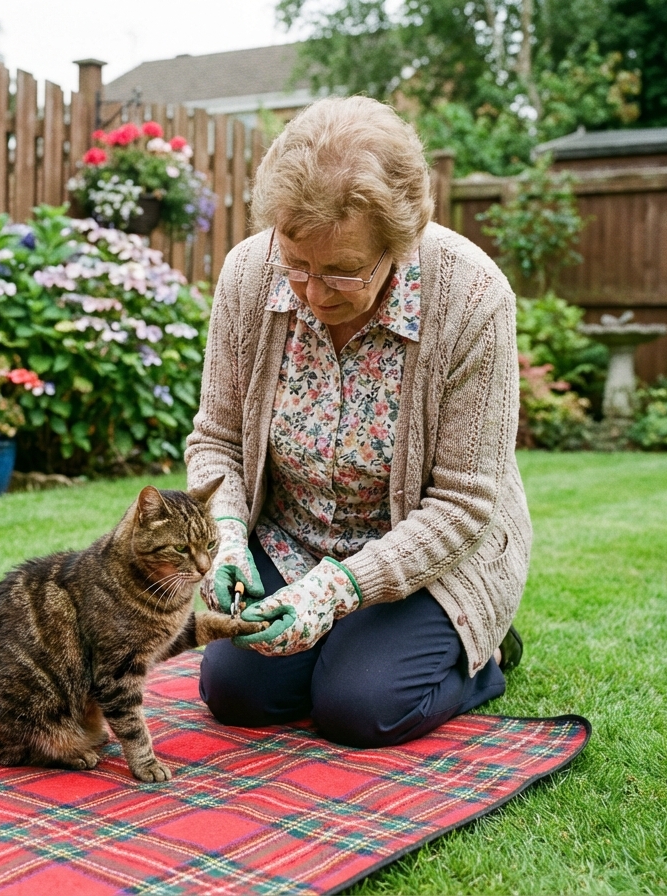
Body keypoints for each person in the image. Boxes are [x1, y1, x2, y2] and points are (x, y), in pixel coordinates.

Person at [185, 96, 531, 749]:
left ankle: (481, 654)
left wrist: (339, 591)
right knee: (236, 694)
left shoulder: (474, 297)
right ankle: (347, 642)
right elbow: (217, 440)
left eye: (341, 271)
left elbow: (463, 504)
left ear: (398, 247)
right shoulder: (246, 274)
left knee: (358, 707)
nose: (313, 294)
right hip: (296, 540)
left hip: (428, 553)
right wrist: (227, 535)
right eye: (297, 265)